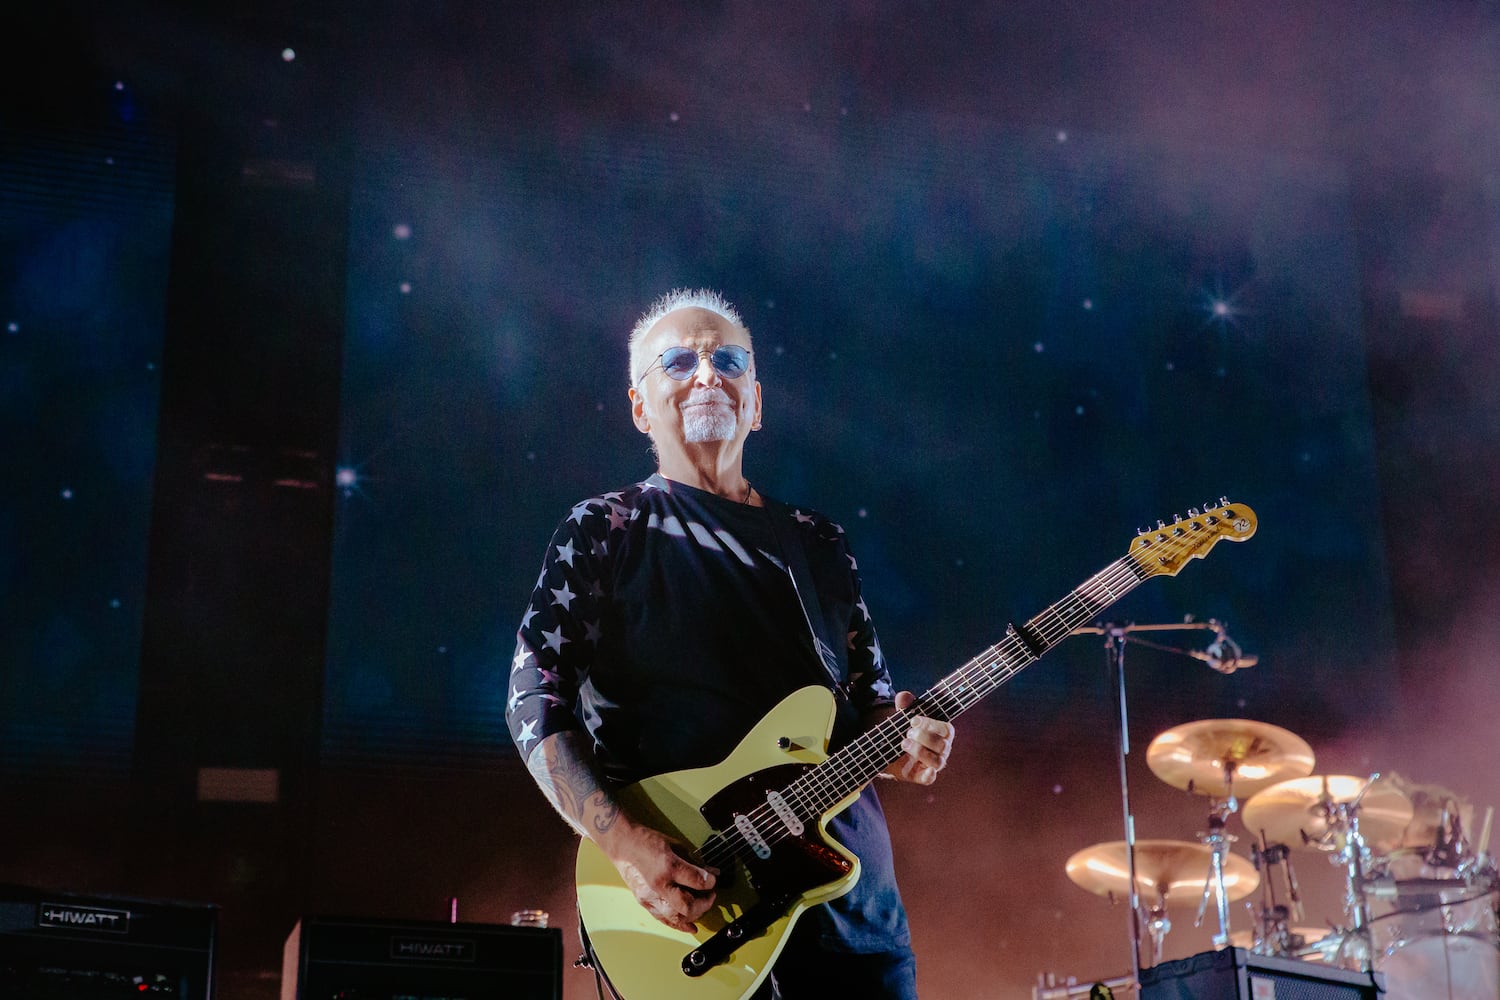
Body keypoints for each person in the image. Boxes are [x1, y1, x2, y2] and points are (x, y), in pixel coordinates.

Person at [505, 288, 955, 999]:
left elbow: (870, 707)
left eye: (730, 360)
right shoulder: (605, 529)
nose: (708, 374)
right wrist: (624, 846)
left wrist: (908, 745)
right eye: (678, 360)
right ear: (638, 407)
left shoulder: (818, 542)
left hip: (855, 920)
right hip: (698, 910)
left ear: (757, 402)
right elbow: (534, 702)